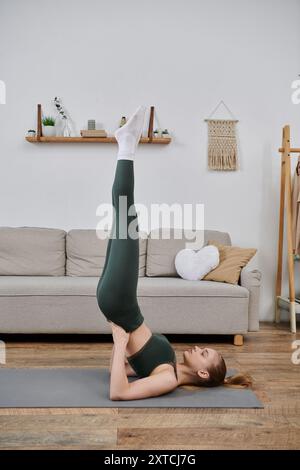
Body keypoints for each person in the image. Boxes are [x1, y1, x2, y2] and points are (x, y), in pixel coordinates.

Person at [96, 106, 252, 401]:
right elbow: (125, 372)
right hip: (118, 304)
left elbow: (118, 392)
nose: (198, 348)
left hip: (120, 303)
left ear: (203, 373)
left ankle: (127, 144)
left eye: (204, 353)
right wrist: (122, 350)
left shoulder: (168, 379)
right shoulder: (168, 366)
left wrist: (119, 342)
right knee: (122, 214)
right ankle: (126, 143)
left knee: (126, 213)